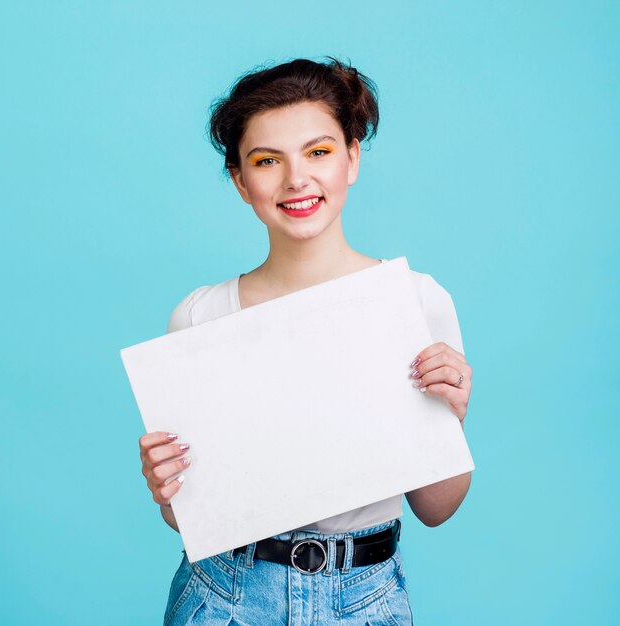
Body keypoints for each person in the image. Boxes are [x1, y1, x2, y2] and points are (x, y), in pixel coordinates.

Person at [138, 57, 473, 626]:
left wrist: (451, 417)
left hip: (364, 596)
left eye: (318, 152)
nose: (297, 179)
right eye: (267, 161)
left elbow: (436, 509)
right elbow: (189, 517)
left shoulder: (416, 302)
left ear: (353, 158)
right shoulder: (200, 316)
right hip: (225, 595)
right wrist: (167, 488)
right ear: (242, 181)